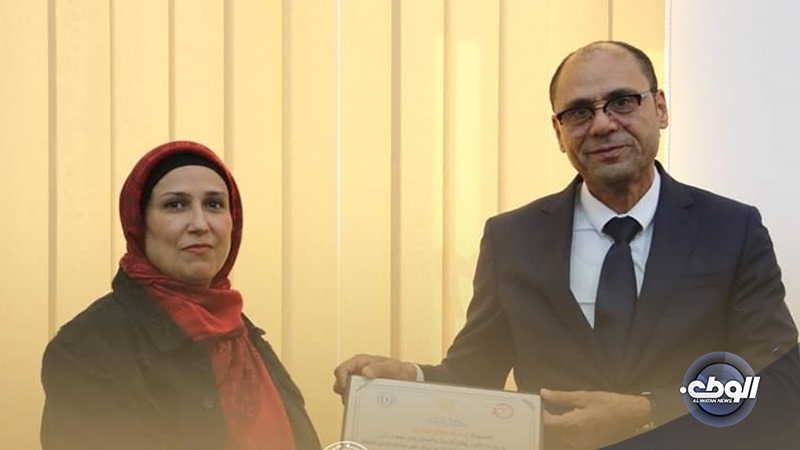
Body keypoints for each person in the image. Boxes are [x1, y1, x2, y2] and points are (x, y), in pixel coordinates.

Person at [333, 41, 800, 449]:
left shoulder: (732, 228)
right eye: (578, 112)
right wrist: (410, 380)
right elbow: (474, 375)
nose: (602, 125)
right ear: (558, 132)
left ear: (660, 108)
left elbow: (778, 380)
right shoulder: (511, 238)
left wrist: (650, 410)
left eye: (622, 101)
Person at [41, 141, 320, 450]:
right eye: (175, 205)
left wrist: (361, 407)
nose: (200, 224)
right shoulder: (87, 349)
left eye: (214, 204)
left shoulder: (239, 333)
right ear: (139, 224)